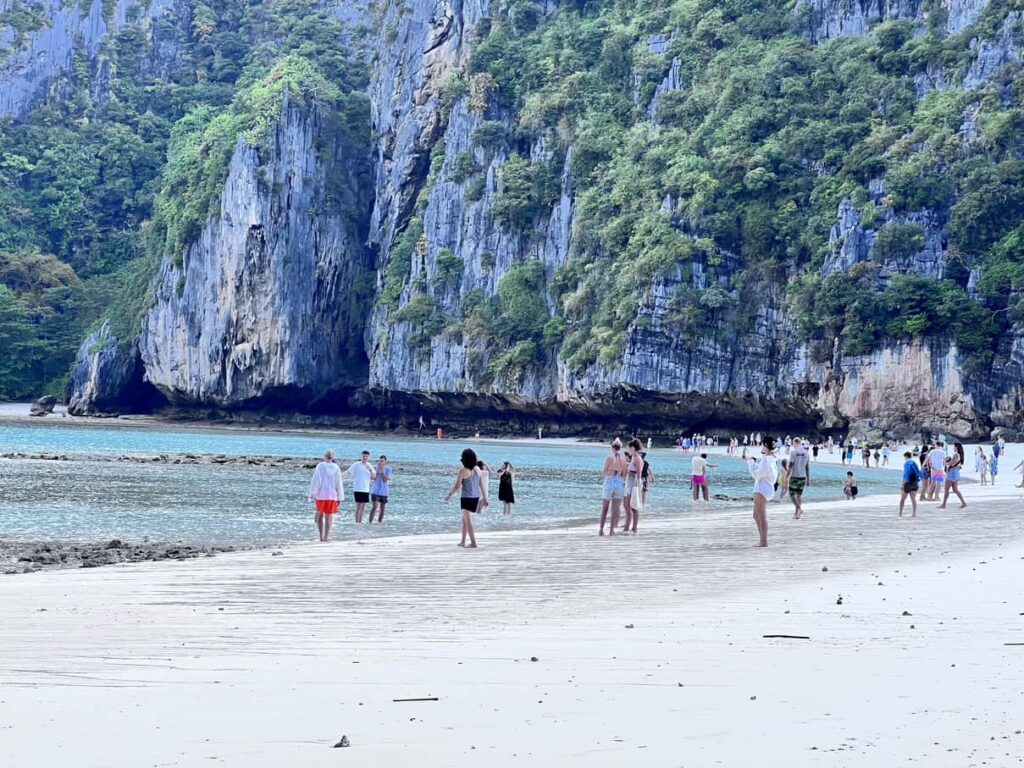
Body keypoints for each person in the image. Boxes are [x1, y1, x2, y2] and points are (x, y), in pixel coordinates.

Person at [444, 448, 488, 548]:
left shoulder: (463, 471)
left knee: (468, 521)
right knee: (464, 519)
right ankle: (463, 541)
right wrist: (485, 498)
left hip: (466, 498)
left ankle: (473, 543)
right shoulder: (477, 469)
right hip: (475, 497)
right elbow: (482, 484)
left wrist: (449, 495)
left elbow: (457, 486)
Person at [747, 437, 777, 547]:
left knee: (761, 516)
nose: (761, 447)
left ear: (765, 445)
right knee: (756, 515)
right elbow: (761, 471)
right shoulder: (771, 458)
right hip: (765, 488)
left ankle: (764, 542)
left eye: (762, 444)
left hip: (762, 489)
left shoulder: (766, 460)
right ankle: (762, 540)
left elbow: (756, 475)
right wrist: (753, 463)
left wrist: (750, 463)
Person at [308, 449, 343, 542]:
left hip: (321, 494)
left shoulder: (320, 466)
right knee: (329, 516)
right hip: (332, 495)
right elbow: (339, 483)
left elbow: (316, 480)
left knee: (320, 515)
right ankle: (326, 536)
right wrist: (340, 496)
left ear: (324, 456)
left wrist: (312, 493)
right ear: (333, 457)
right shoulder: (336, 467)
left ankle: (321, 536)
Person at [599, 439, 627, 536]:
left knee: (605, 508)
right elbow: (624, 474)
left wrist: (609, 472)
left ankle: (601, 529)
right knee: (615, 508)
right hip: (619, 481)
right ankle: (611, 530)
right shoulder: (623, 459)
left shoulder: (609, 458)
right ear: (620, 448)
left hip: (610, 480)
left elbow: (604, 472)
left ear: (612, 448)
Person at [345, 450, 376, 524]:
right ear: (361, 456)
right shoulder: (356, 464)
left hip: (366, 489)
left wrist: (370, 469)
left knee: (363, 507)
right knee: (358, 506)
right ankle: (357, 522)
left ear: (368, 457)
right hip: (357, 488)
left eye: (366, 456)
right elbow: (348, 472)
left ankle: (360, 522)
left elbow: (374, 477)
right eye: (363, 456)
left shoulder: (369, 465)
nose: (364, 458)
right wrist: (340, 475)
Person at [623, 438, 645, 533]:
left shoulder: (637, 458)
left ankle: (632, 527)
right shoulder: (633, 458)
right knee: (627, 505)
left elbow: (639, 472)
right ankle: (628, 526)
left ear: (633, 448)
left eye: (629, 448)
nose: (628, 450)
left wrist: (639, 483)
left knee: (632, 506)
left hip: (634, 483)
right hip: (630, 482)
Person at [787, 438, 811, 519]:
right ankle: (796, 514)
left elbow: (790, 465)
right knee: (799, 495)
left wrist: (787, 475)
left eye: (793, 443)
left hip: (795, 476)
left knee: (791, 494)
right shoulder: (806, 453)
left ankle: (799, 509)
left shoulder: (793, 453)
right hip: (803, 477)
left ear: (795, 443)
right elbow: (807, 468)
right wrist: (808, 479)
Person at [939, 442, 966, 509]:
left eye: (954, 446)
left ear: (956, 447)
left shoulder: (956, 455)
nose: (953, 448)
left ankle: (944, 504)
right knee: (955, 489)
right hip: (955, 472)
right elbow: (957, 465)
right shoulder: (959, 455)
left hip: (952, 472)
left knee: (947, 489)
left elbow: (950, 463)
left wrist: (945, 461)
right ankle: (963, 503)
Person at [369, 455, 393, 523]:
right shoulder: (374, 467)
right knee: (375, 506)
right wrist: (377, 471)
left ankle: (380, 523)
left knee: (382, 508)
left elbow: (385, 480)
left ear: (385, 461)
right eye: (379, 461)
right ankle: (370, 522)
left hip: (384, 491)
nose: (380, 462)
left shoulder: (388, 469)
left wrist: (382, 471)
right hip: (375, 491)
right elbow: (373, 478)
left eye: (382, 461)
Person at [899, 451, 920, 518]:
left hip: (908, 483)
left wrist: (903, 484)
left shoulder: (906, 463)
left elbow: (906, 474)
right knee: (913, 499)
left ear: (905, 456)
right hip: (915, 483)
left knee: (902, 499)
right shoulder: (914, 463)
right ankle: (914, 514)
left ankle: (900, 513)